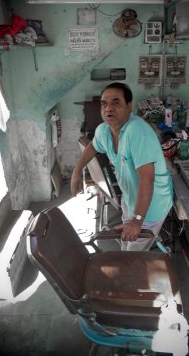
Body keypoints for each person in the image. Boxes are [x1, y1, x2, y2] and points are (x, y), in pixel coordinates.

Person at [71, 82, 173, 251]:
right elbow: (92, 147)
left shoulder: (137, 131)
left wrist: (137, 221)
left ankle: (134, 272)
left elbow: (147, 181)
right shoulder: (104, 130)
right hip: (130, 199)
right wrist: (76, 171)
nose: (108, 108)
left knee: (132, 256)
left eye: (116, 102)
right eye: (104, 103)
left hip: (151, 205)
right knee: (126, 243)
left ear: (129, 106)